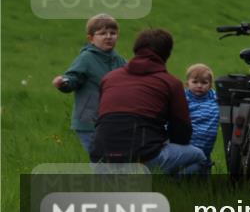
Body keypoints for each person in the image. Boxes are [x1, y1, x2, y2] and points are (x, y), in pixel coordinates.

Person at [90, 28, 206, 174]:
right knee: (199, 157)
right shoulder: (170, 83)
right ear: (166, 53)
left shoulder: (109, 78)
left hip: (100, 160)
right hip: (142, 159)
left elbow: (100, 118)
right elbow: (182, 131)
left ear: (136, 50)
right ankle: (169, 192)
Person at [51, 13, 127, 154]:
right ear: (91, 38)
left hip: (112, 121)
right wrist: (63, 83)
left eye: (113, 33)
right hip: (89, 122)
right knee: (100, 160)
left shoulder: (119, 60)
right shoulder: (86, 58)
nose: (109, 36)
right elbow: (73, 78)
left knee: (113, 159)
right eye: (102, 33)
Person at [185, 63, 219, 173]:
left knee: (204, 169)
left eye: (204, 82)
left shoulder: (215, 99)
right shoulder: (183, 99)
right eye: (195, 82)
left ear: (210, 85)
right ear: (187, 83)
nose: (199, 86)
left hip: (207, 146)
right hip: (188, 145)